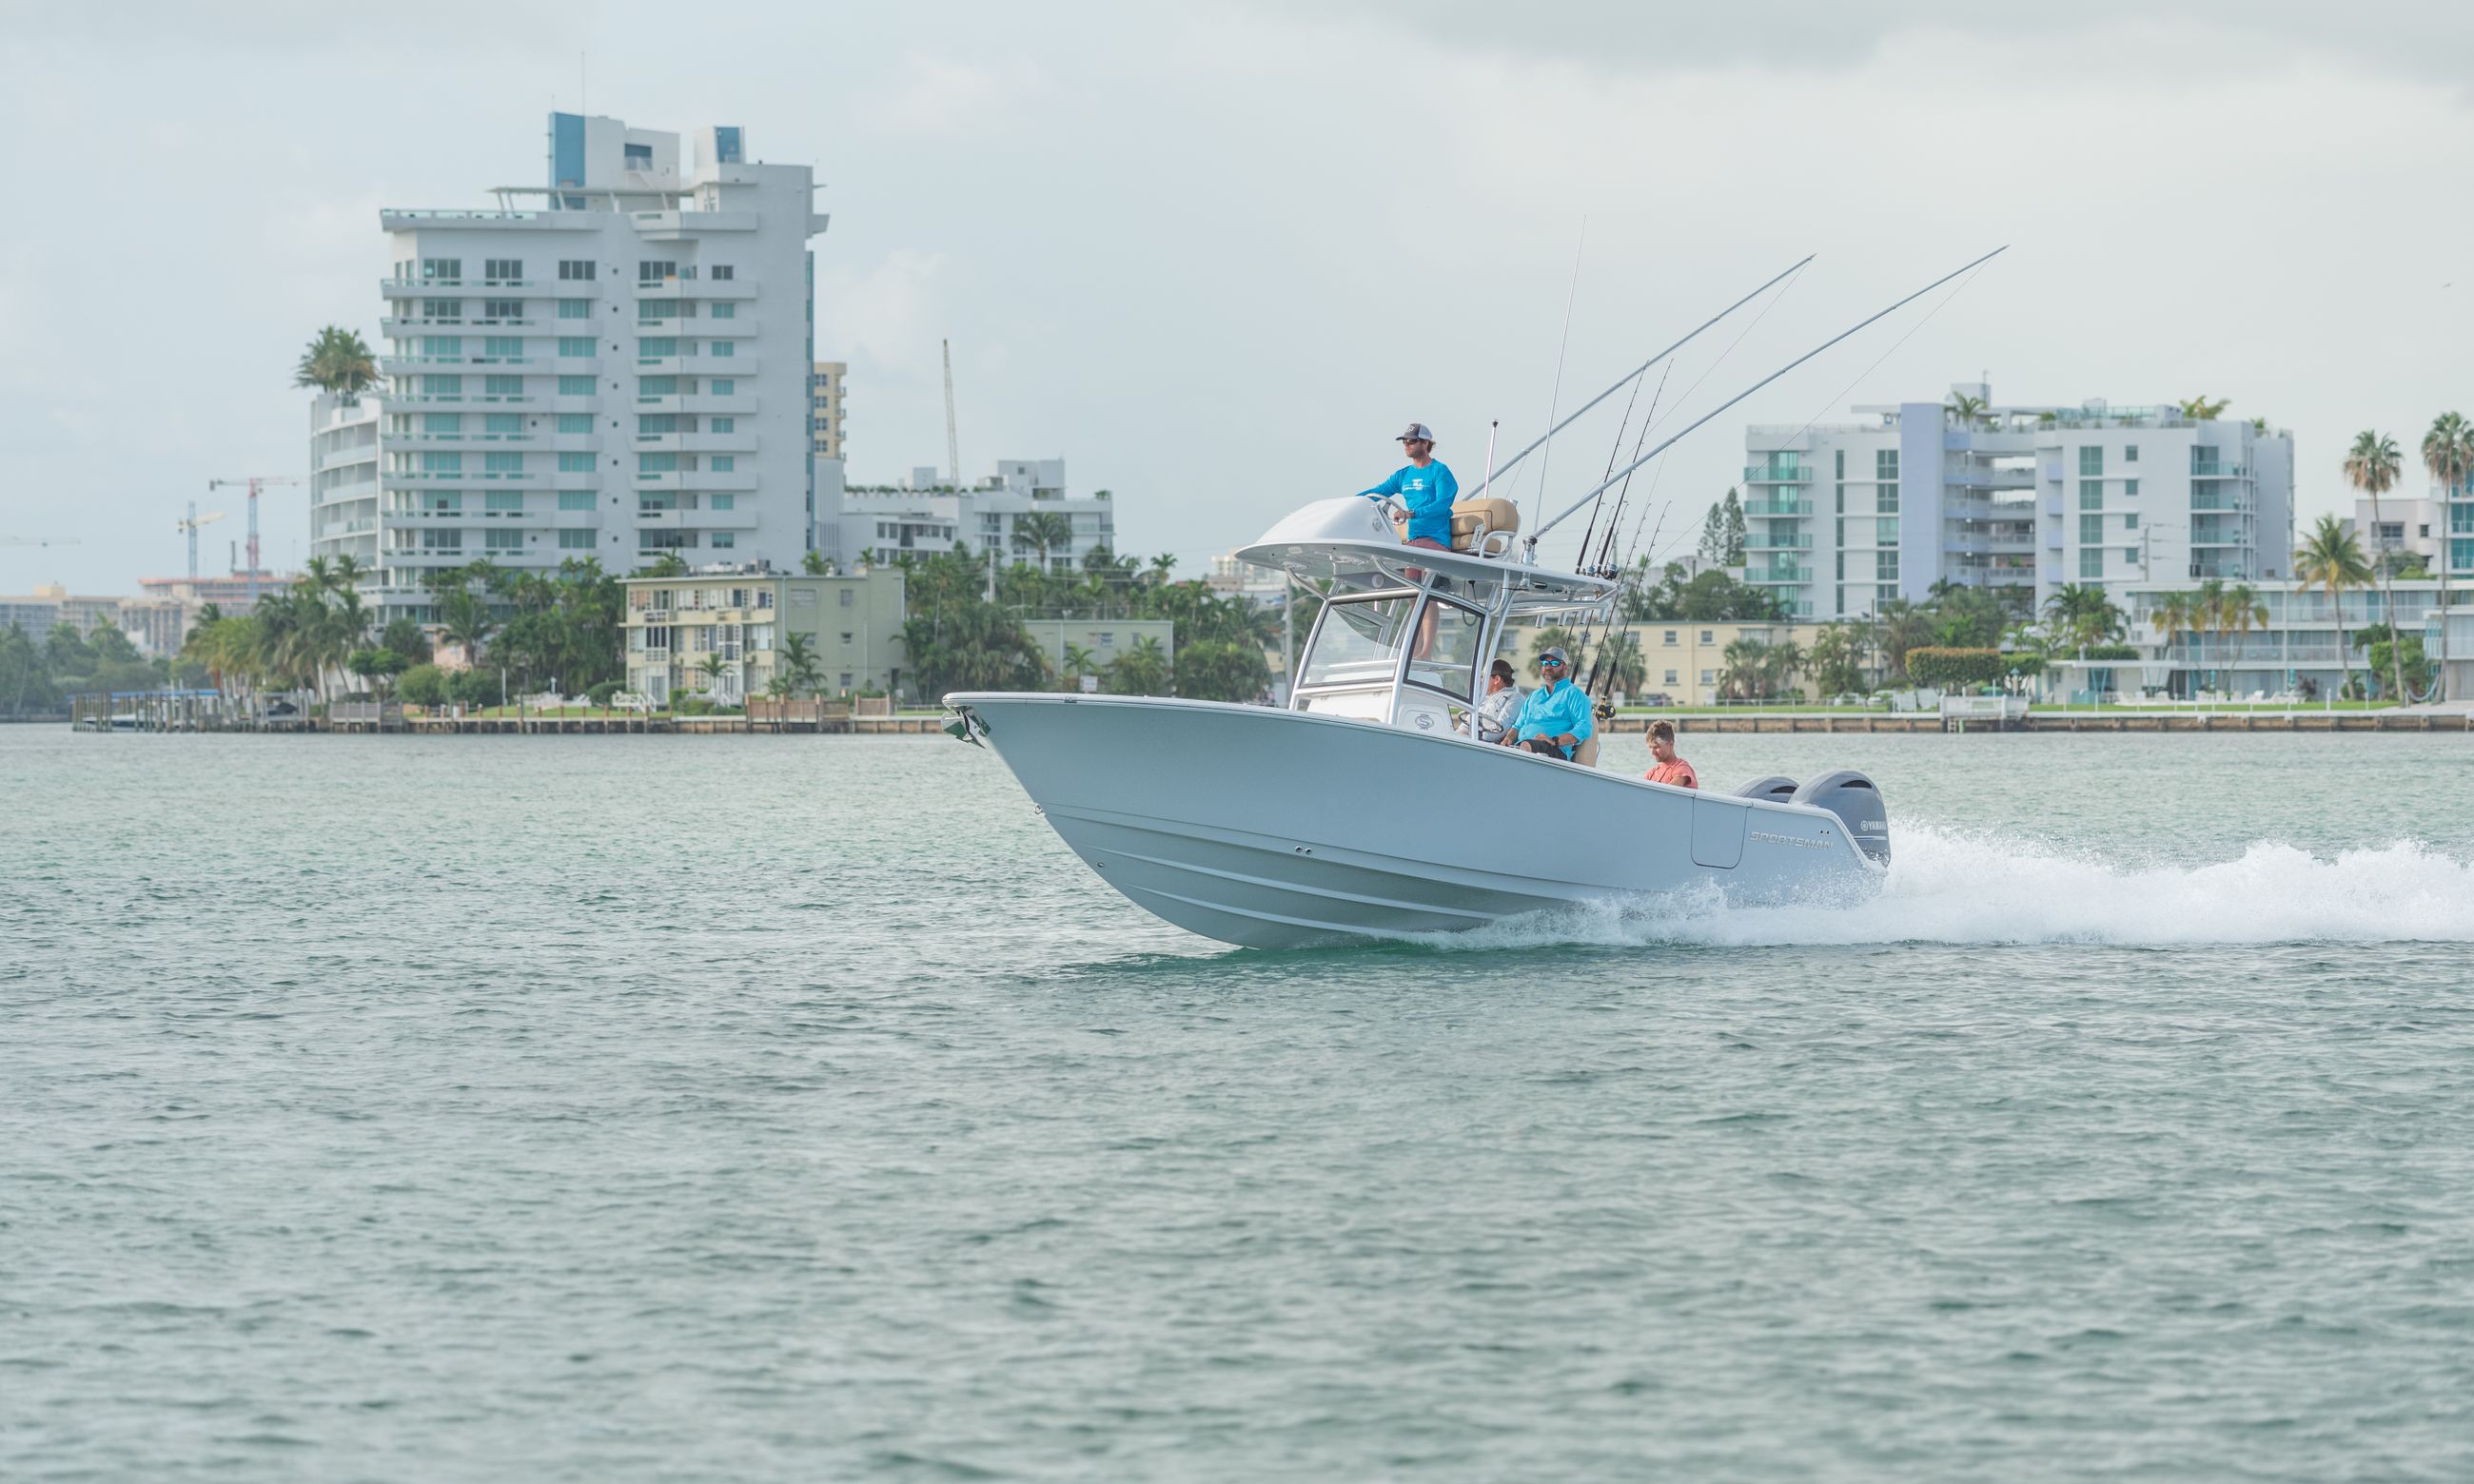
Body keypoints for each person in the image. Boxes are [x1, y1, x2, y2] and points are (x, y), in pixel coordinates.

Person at [1358, 423, 1459, 550]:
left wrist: (1410, 514)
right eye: (1404, 441)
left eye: (1411, 441)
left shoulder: (1440, 471)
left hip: (1436, 540)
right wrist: (1351, 501)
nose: (1406, 445)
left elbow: (1442, 504)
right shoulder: (1403, 475)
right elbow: (1379, 491)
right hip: (1413, 541)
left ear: (1425, 443)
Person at [1497, 647, 1593, 759]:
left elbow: (1584, 727)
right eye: (1545, 663)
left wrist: (1554, 740)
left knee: (1525, 746)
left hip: (1555, 750)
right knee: (1493, 746)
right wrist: (1508, 738)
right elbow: (1517, 726)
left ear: (1565, 667)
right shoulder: (1534, 695)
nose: (1548, 667)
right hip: (1523, 746)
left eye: (1554, 663)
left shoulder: (1575, 694)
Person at [1460, 658, 1522, 743]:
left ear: (1497, 679)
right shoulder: (1482, 699)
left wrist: (1474, 739)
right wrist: (1462, 734)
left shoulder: (1515, 698)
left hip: (1484, 745)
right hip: (1468, 742)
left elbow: (1501, 729)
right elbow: (1465, 724)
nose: (1481, 680)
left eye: (1483, 676)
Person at [1644, 719, 1698, 789]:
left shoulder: (1683, 769)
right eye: (1650, 747)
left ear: (1671, 744)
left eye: (1656, 747)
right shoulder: (1651, 774)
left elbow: (1668, 792)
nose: (1652, 752)